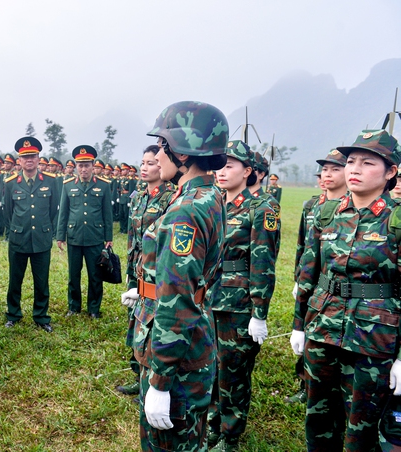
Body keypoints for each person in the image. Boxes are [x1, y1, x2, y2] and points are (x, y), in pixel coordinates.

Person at [127, 101, 228, 451]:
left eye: (163, 147)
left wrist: (160, 380)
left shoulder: (185, 210)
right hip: (192, 339)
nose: (158, 154)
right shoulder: (207, 195)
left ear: (182, 154)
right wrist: (145, 288)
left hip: (177, 359)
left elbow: (178, 298)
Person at [292, 129, 401, 451]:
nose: (354, 169)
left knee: (361, 429)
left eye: (368, 163)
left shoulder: (395, 221)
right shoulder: (327, 214)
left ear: (391, 172)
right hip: (323, 330)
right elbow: (308, 276)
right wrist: (299, 325)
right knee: (319, 419)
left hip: (373, 340)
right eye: (351, 161)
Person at [207, 140, 279, 451]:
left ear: (248, 171)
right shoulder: (214, 203)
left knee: (232, 372)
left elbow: (263, 263)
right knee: (210, 366)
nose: (221, 172)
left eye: (229, 166)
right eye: (219, 166)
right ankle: (212, 424)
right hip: (209, 296)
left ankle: (230, 435)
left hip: (238, 303)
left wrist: (258, 313)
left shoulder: (262, 208)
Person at [287, 150, 347, 405]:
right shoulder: (312, 206)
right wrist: (298, 278)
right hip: (312, 281)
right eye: (324, 170)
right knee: (307, 333)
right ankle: (305, 381)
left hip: (334, 286)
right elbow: (303, 247)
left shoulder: (351, 209)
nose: (327, 175)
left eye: (334, 169)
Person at [117, 145, 174, 399]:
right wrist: (131, 272)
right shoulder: (139, 196)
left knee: (152, 326)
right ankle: (138, 376)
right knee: (136, 324)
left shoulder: (170, 198)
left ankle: (152, 383)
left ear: (161, 166)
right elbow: (133, 236)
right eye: (142, 162)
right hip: (138, 270)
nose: (144, 167)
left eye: (150, 163)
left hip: (156, 273)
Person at [3, 137, 57, 332]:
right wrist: (18, 227)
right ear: (19, 160)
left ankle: (41, 316)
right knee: (15, 279)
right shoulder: (10, 183)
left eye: (33, 156)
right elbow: (8, 212)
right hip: (18, 238)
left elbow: (53, 210)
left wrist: (44, 228)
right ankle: (13, 314)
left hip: (41, 239)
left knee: (41, 280)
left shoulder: (50, 181)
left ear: (38, 159)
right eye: (25, 157)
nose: (29, 160)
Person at [56, 145, 113, 319]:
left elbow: (107, 214)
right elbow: (63, 213)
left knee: (95, 275)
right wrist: (60, 236)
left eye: (87, 165)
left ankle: (94, 308)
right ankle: (74, 306)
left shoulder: (103, 186)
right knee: (74, 274)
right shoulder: (67, 186)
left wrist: (108, 237)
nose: (83, 169)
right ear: (75, 166)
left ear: (93, 165)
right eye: (80, 165)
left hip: (95, 237)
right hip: (74, 237)